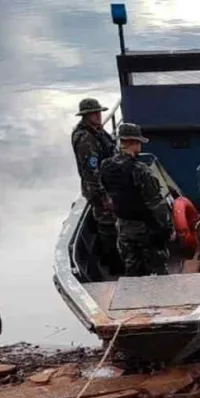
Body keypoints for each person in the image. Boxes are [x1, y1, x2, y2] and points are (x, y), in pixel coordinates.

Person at [99, 123, 175, 277]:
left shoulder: (106, 166)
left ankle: (132, 290)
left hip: (123, 227)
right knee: (158, 270)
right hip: (146, 229)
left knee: (132, 267)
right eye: (139, 142)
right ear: (133, 143)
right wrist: (168, 229)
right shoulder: (140, 170)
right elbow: (156, 205)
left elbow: (107, 194)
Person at [71, 98, 123, 275]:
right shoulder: (85, 139)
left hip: (109, 185)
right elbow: (91, 172)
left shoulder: (97, 131)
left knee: (113, 224)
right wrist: (103, 197)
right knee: (107, 227)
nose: (98, 116)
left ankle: (117, 259)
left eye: (98, 112)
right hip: (100, 190)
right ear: (86, 116)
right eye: (94, 114)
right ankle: (114, 266)